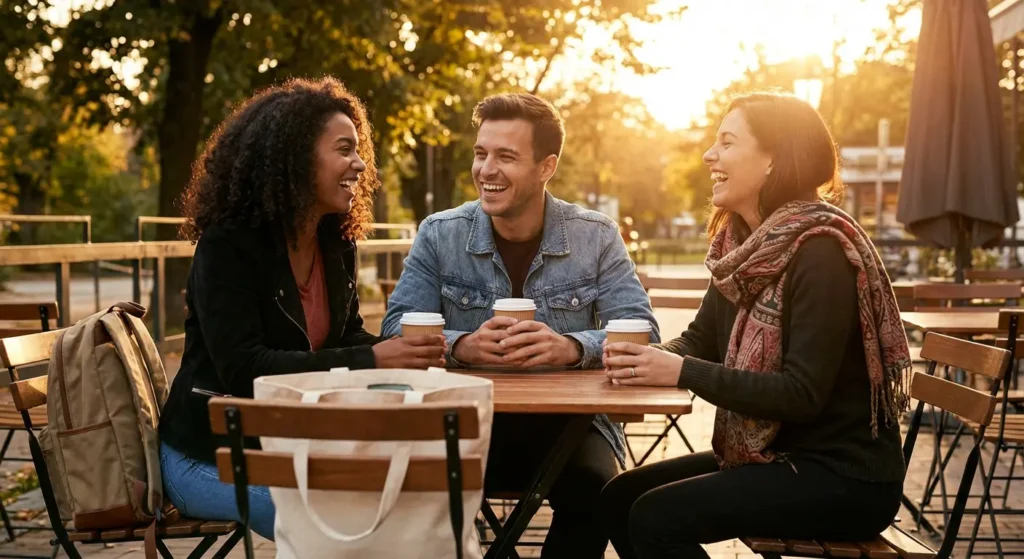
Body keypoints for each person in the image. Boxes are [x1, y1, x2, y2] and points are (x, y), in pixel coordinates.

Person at [599, 92, 912, 559]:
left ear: (773, 160)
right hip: (780, 458)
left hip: (843, 477)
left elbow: (801, 395)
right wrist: (650, 358)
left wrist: (679, 372)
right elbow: (700, 339)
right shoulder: (743, 249)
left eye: (727, 142)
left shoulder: (820, 252)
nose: (710, 155)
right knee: (619, 498)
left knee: (654, 518)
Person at [158, 77, 447, 540]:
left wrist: (401, 351)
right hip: (209, 456)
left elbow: (347, 336)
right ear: (295, 159)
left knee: (423, 498)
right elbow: (245, 370)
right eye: (344, 149)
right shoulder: (228, 246)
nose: (360, 164)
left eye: (359, 150)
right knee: (352, 522)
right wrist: (372, 359)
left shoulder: (335, 241)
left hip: (299, 446)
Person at [380, 92, 659, 557]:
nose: (486, 169)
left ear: (546, 167)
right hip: (468, 424)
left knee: (598, 491)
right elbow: (394, 328)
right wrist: (462, 345)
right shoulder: (439, 233)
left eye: (505, 156)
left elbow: (642, 330)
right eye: (481, 153)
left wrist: (571, 348)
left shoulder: (597, 235)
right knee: (419, 488)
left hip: (573, 426)